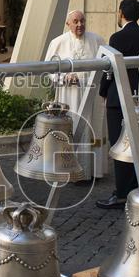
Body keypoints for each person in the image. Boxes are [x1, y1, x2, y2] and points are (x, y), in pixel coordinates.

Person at [97, 0, 139, 209]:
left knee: (119, 146)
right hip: (137, 95)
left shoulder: (117, 37)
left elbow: (109, 68)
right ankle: (135, 187)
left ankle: (121, 194)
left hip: (117, 98)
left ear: (121, 13)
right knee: (135, 144)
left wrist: (103, 91)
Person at [45, 10, 107, 178]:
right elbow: (49, 68)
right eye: (76, 21)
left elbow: (106, 65)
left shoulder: (97, 40)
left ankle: (92, 171)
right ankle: (70, 171)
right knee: (71, 129)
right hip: (69, 96)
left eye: (82, 21)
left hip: (92, 95)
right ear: (68, 24)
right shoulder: (58, 42)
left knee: (91, 129)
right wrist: (64, 77)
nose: (80, 25)